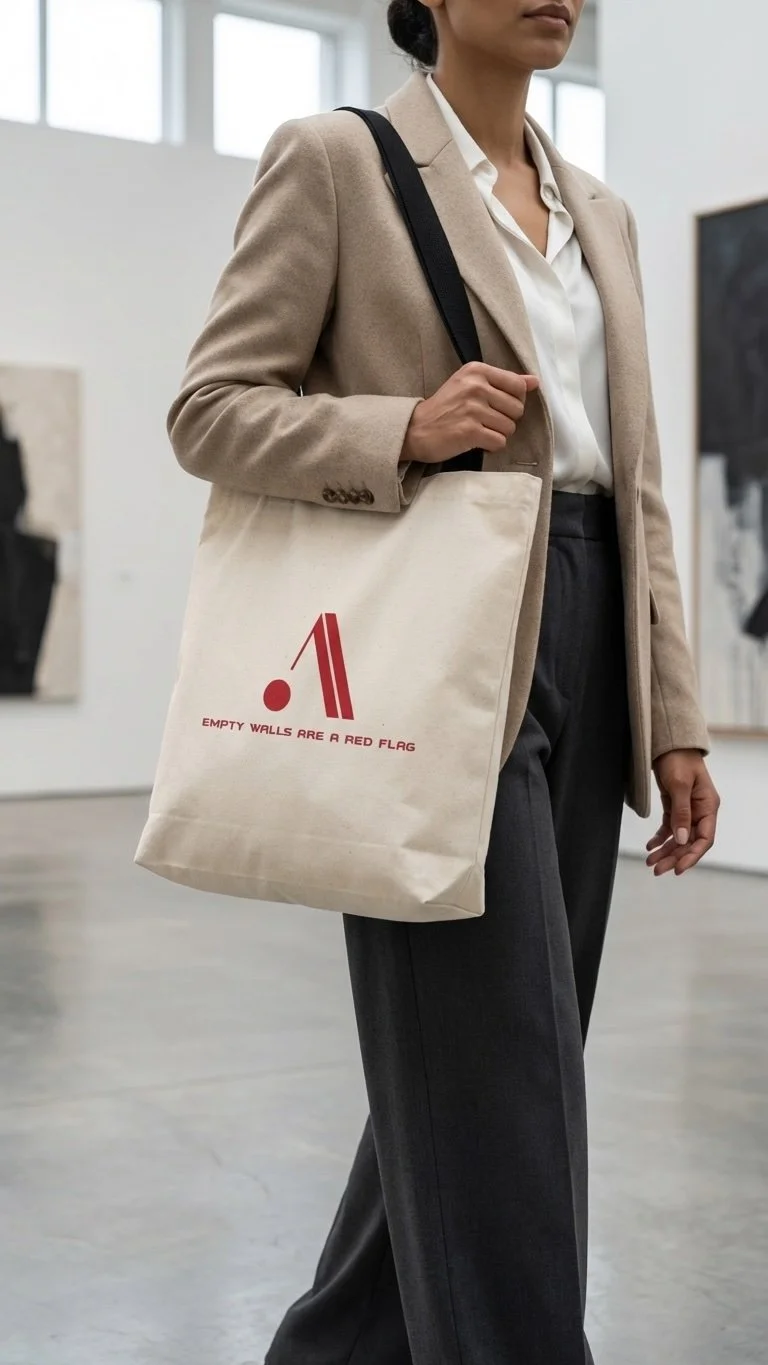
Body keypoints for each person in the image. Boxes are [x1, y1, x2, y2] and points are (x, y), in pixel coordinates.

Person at [168, 2, 721, 1360]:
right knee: (507, 1079)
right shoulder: (337, 160)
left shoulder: (603, 211)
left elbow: (637, 487)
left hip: (587, 623)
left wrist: (678, 722)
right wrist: (399, 429)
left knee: (504, 1056)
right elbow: (210, 410)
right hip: (439, 628)